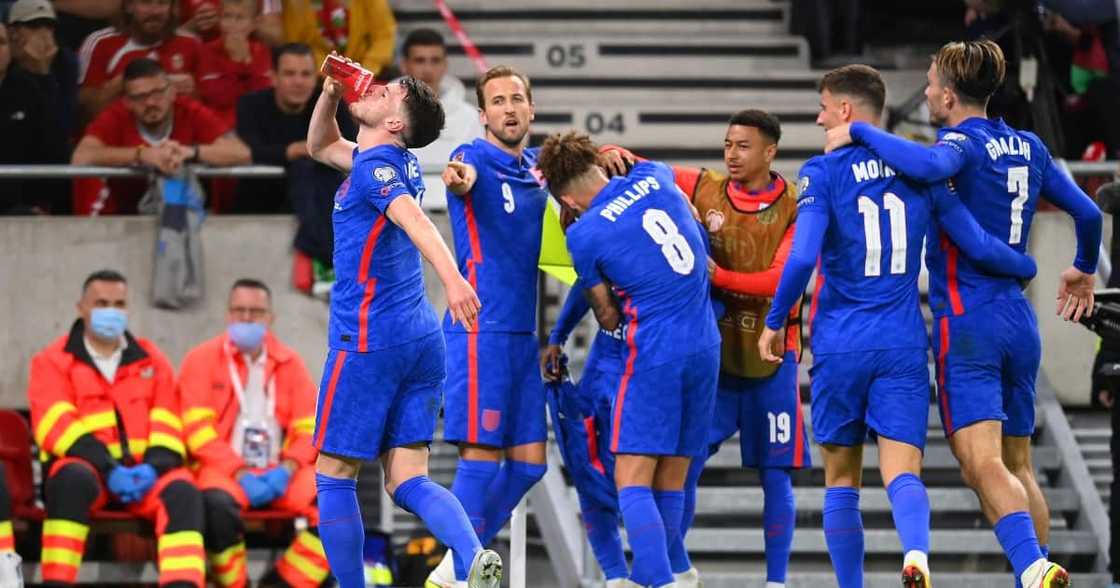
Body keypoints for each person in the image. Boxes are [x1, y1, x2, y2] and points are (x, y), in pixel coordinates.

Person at [824, 40, 1103, 587]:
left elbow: (928, 164)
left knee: (982, 463)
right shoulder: (1028, 144)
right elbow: (1089, 212)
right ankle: (1038, 565)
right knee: (1019, 465)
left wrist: (858, 130)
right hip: (1019, 323)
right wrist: (1082, 267)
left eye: (929, 84)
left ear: (949, 96)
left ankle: (1033, 566)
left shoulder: (959, 145)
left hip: (968, 319)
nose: (925, 93)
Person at [759, 64, 1042, 588]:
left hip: (841, 341)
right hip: (903, 342)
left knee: (841, 480)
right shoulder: (918, 172)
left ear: (845, 110)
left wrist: (776, 321)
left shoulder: (821, 173)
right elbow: (977, 243)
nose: (819, 117)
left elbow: (799, 262)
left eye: (824, 107)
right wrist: (1026, 266)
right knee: (902, 472)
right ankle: (923, 556)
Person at [598, 110, 811, 588]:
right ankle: (678, 569)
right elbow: (647, 169)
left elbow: (783, 278)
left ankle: (776, 582)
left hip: (773, 358)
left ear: (770, 151)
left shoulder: (797, 204)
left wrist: (719, 277)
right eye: (728, 144)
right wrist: (616, 154)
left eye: (744, 146)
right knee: (684, 467)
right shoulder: (703, 187)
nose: (732, 154)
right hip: (712, 357)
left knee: (777, 476)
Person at [306, 67, 501, 588]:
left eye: (385, 91)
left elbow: (414, 219)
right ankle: (472, 555)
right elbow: (321, 144)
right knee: (407, 478)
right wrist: (329, 94)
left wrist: (454, 279)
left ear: (393, 121)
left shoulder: (377, 173)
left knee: (333, 473)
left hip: (369, 340)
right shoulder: (389, 161)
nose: (370, 88)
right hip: (421, 341)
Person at [537, 131, 720, 588]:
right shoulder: (655, 174)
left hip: (654, 351)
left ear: (564, 198)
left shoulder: (584, 232)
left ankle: (657, 580)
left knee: (632, 479)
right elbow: (694, 232)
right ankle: (679, 572)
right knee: (674, 478)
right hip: (706, 343)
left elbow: (606, 312)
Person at [424, 64, 549, 588]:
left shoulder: (542, 167)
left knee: (529, 466)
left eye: (516, 98)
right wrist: (456, 179)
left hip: (525, 335)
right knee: (480, 455)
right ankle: (458, 567)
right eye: (497, 101)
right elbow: (460, 174)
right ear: (483, 115)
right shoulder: (473, 157)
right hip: (480, 330)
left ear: (531, 108)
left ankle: (456, 566)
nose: (509, 108)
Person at [26, 269, 206, 587]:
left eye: (119, 303)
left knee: (183, 492)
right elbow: (58, 427)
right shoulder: (51, 362)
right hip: (90, 476)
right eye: (102, 303)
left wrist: (153, 468)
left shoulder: (152, 359)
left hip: (145, 477)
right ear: (81, 307)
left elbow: (169, 420)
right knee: (69, 479)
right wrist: (109, 469)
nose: (111, 311)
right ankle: (57, 581)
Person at [177, 278, 328, 588]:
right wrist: (240, 471)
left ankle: (280, 584)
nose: (246, 318)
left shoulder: (290, 364)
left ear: (271, 318)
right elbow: (197, 432)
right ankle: (236, 584)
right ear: (228, 315)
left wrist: (287, 468)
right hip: (225, 473)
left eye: (256, 312)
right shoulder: (201, 360)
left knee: (337, 504)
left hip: (281, 472)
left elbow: (310, 428)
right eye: (239, 311)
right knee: (215, 507)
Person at [71, 57, 250, 214]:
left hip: (183, 213)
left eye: (157, 93)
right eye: (140, 97)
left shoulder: (189, 110)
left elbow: (241, 153)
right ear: (127, 102)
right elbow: (81, 157)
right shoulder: (116, 115)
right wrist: (142, 155)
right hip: (123, 218)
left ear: (172, 92)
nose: (150, 102)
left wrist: (190, 152)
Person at [236, 43, 353, 277]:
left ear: (315, 77)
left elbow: (348, 149)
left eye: (306, 74)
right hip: (261, 201)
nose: (298, 82)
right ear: (273, 77)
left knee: (313, 170)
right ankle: (329, 256)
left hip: (317, 195)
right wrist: (293, 151)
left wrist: (304, 152)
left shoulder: (332, 103)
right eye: (289, 74)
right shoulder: (251, 105)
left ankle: (317, 250)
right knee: (306, 166)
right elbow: (250, 151)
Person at [77, 0, 201, 122]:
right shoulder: (99, 42)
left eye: (162, 3)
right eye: (146, 2)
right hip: (117, 136)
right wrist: (125, 82)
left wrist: (193, 93)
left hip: (176, 138)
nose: (155, 11)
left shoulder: (191, 43)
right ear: (129, 6)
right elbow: (84, 112)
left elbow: (208, 110)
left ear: (172, 8)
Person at [0, 20, 70, 214]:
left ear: (10, 49)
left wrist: (40, 204)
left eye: (1, 43)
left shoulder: (30, 91)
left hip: (21, 208)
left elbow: (55, 150)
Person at [397, 28, 482, 171]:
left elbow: (478, 169)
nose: (428, 69)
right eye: (419, 61)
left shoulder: (470, 117)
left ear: (445, 65)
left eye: (435, 60)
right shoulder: (382, 114)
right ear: (404, 65)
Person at [8, 0, 80, 142]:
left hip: (48, 155)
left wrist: (42, 71)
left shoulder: (65, 62)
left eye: (49, 26)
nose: (43, 33)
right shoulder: (4, 58)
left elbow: (62, 127)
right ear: (13, 31)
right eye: (33, 25)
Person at [195, 0, 272, 129]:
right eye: (227, 16)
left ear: (255, 23)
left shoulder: (262, 52)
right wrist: (239, 63)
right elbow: (218, 97)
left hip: (257, 128)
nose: (232, 25)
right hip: (218, 129)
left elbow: (261, 99)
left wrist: (244, 62)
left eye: (240, 18)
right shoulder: (205, 51)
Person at [278, 0, 396, 76]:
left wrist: (364, 71)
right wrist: (330, 71)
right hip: (319, 77)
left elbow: (384, 36)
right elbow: (298, 44)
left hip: (369, 72)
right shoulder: (296, 4)